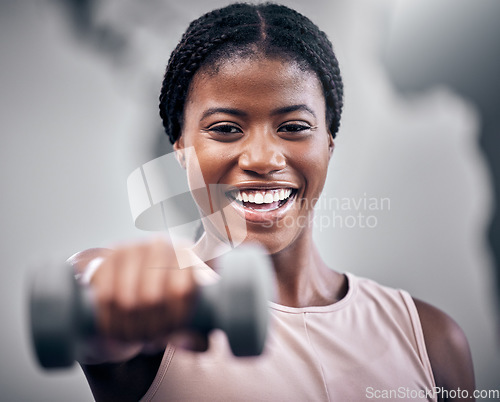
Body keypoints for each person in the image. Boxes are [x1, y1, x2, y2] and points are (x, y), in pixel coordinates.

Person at [70, 3, 475, 401]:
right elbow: (89, 300)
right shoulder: (156, 332)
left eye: (294, 127)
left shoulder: (432, 340)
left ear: (329, 142)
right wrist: (102, 292)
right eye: (226, 129)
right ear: (180, 148)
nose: (262, 159)